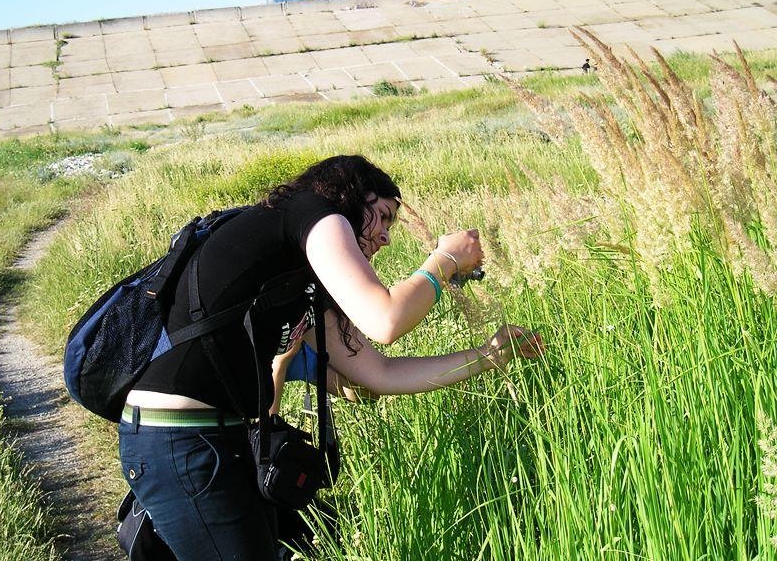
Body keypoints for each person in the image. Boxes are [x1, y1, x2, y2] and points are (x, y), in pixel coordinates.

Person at [118, 155, 544, 560]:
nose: (386, 237)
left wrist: (488, 356)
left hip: (210, 439)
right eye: (384, 216)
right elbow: (386, 319)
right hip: (177, 438)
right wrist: (446, 258)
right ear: (353, 196)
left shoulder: (298, 274)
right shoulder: (315, 213)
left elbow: (380, 373)